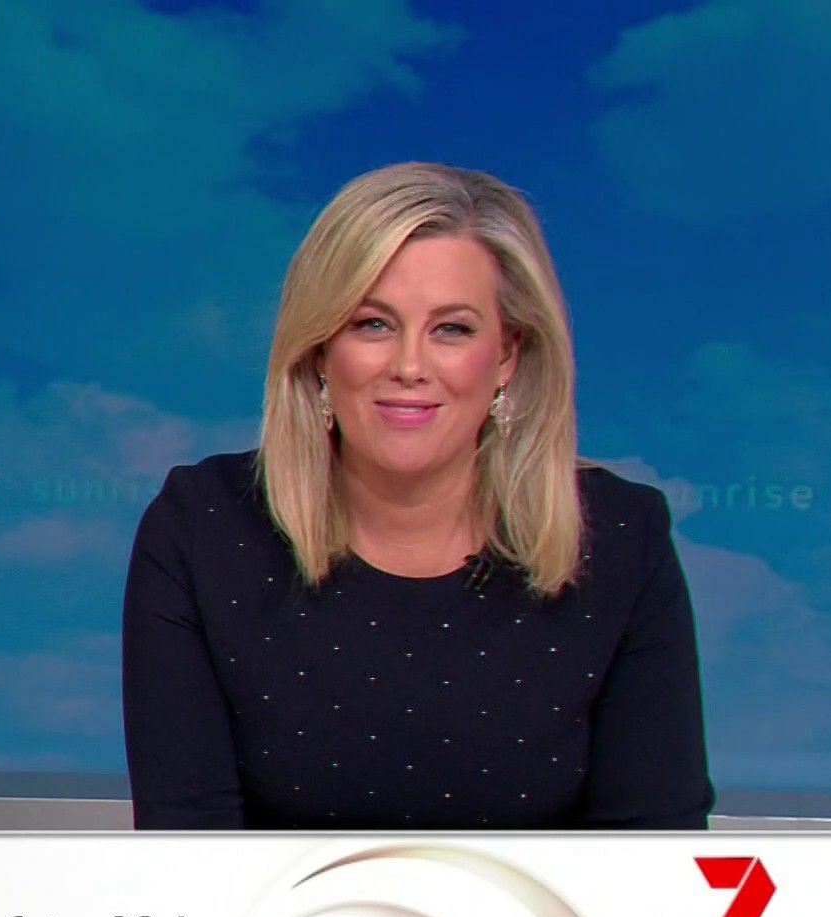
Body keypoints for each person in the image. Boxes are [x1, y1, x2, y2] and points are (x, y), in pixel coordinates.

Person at [123, 162, 711, 830]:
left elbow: (657, 856)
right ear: (318, 350)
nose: (409, 366)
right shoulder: (202, 526)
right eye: (373, 325)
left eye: (452, 329)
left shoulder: (620, 535)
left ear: (508, 355)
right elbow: (187, 854)